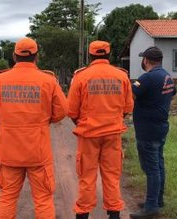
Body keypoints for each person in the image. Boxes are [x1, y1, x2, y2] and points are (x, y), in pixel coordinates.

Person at [0, 37, 68, 219]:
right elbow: (61, 111)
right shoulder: (48, 80)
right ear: (37, 57)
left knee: (7, 197)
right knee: (43, 199)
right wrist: (44, 120)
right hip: (38, 152)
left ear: (14, 56)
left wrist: (7, 118)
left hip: (9, 152)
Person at [67, 40, 134, 219]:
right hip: (113, 135)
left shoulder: (81, 76)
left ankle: (83, 214)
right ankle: (114, 214)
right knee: (112, 176)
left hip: (88, 135)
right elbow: (128, 107)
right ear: (108, 55)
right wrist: (115, 122)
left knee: (86, 177)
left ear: (90, 56)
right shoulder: (121, 76)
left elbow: (71, 110)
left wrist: (82, 123)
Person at [129, 46, 176, 219]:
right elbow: (173, 95)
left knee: (151, 168)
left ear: (146, 60)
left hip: (147, 129)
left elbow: (129, 96)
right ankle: (157, 200)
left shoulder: (147, 78)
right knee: (158, 164)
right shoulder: (167, 76)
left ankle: (151, 207)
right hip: (161, 126)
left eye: (143, 58)